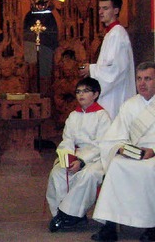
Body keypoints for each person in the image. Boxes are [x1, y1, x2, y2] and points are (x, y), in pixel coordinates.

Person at [90, 61, 155, 242]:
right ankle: (109, 227)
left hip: (153, 156)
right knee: (116, 166)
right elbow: (115, 136)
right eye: (139, 79)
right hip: (134, 153)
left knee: (150, 169)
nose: (142, 83)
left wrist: (152, 151)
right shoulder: (129, 105)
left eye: (148, 79)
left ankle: (152, 226)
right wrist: (121, 148)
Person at [46, 77, 111, 232]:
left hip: (97, 158)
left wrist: (82, 161)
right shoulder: (73, 116)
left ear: (95, 94)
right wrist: (68, 158)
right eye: (78, 91)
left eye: (86, 91)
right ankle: (60, 214)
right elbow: (67, 139)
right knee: (58, 172)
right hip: (76, 154)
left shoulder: (102, 116)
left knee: (88, 175)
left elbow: (102, 144)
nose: (81, 95)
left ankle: (68, 215)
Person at [79, 0, 135, 119]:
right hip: (110, 95)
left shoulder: (117, 34)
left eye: (105, 8)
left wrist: (91, 69)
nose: (100, 12)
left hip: (115, 96)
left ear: (116, 10)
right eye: (99, 8)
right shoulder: (111, 33)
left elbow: (115, 70)